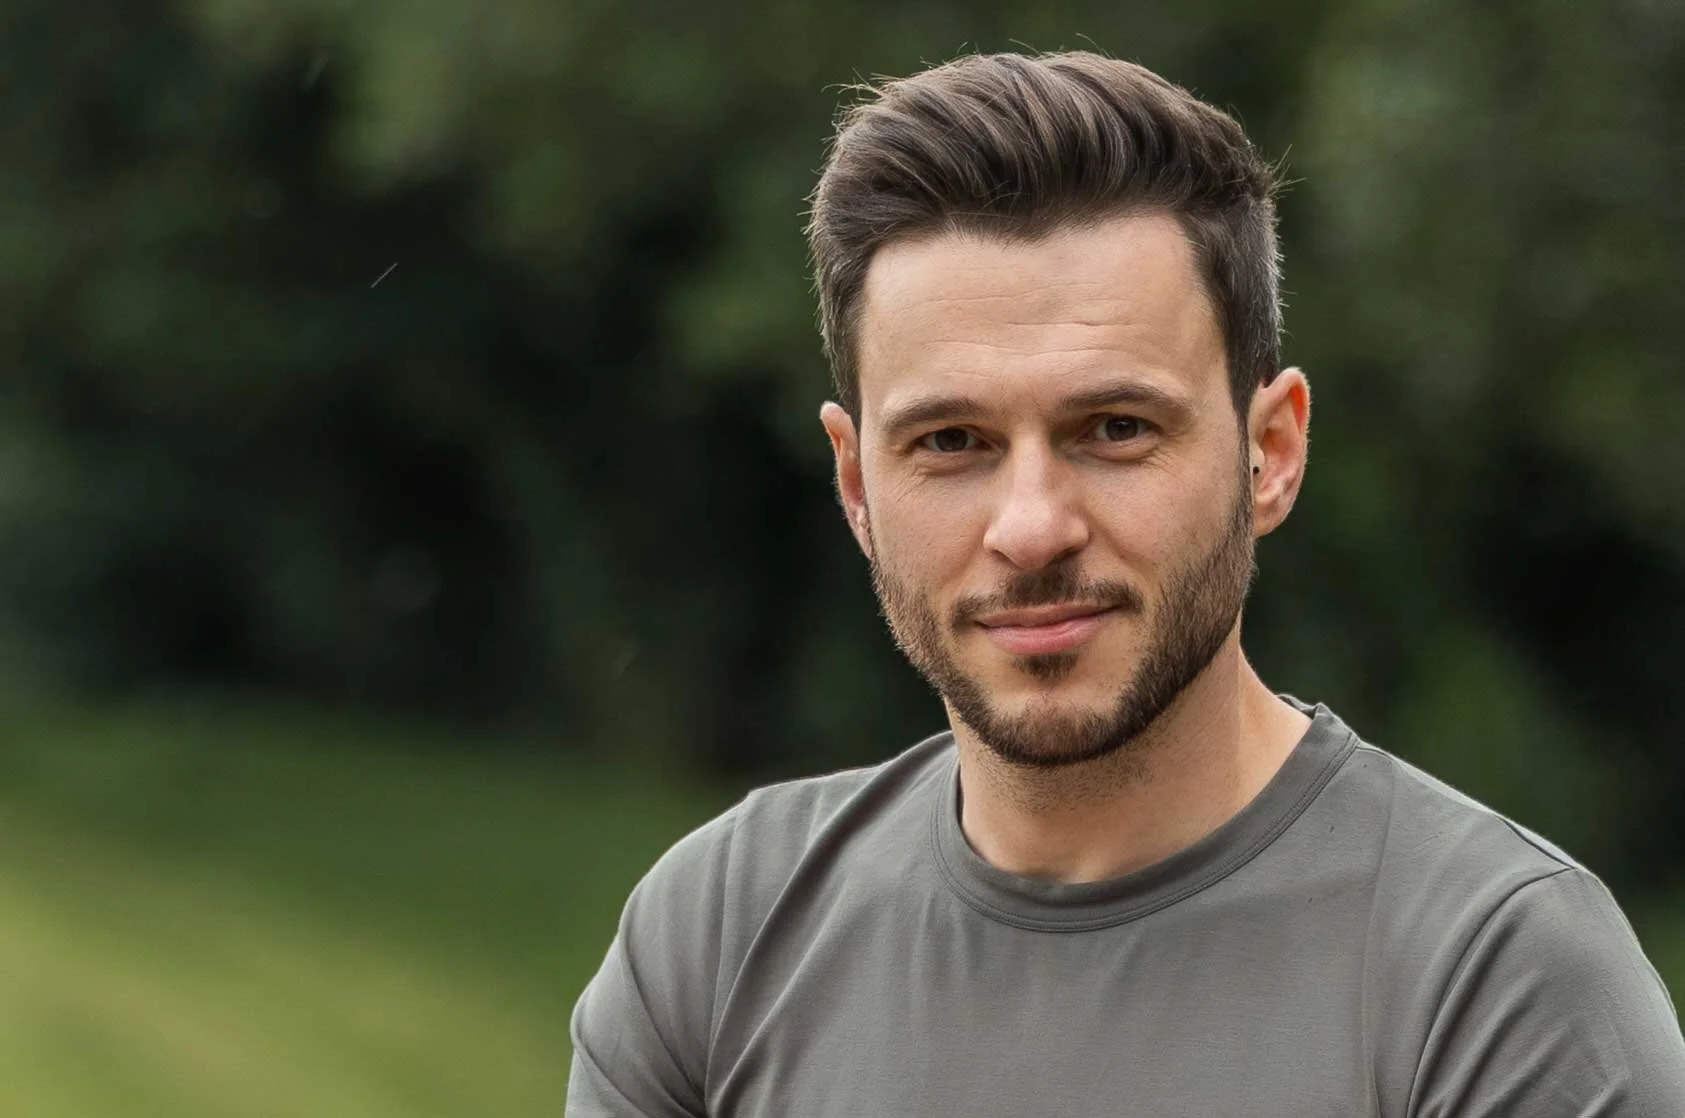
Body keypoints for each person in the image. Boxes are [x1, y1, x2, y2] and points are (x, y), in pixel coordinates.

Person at [566, 51, 1685, 1116]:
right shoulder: (718, 936)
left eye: (1112, 427)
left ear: (1270, 451)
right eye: (950, 441)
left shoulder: (1495, 979)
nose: (1032, 526)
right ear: (854, 483)